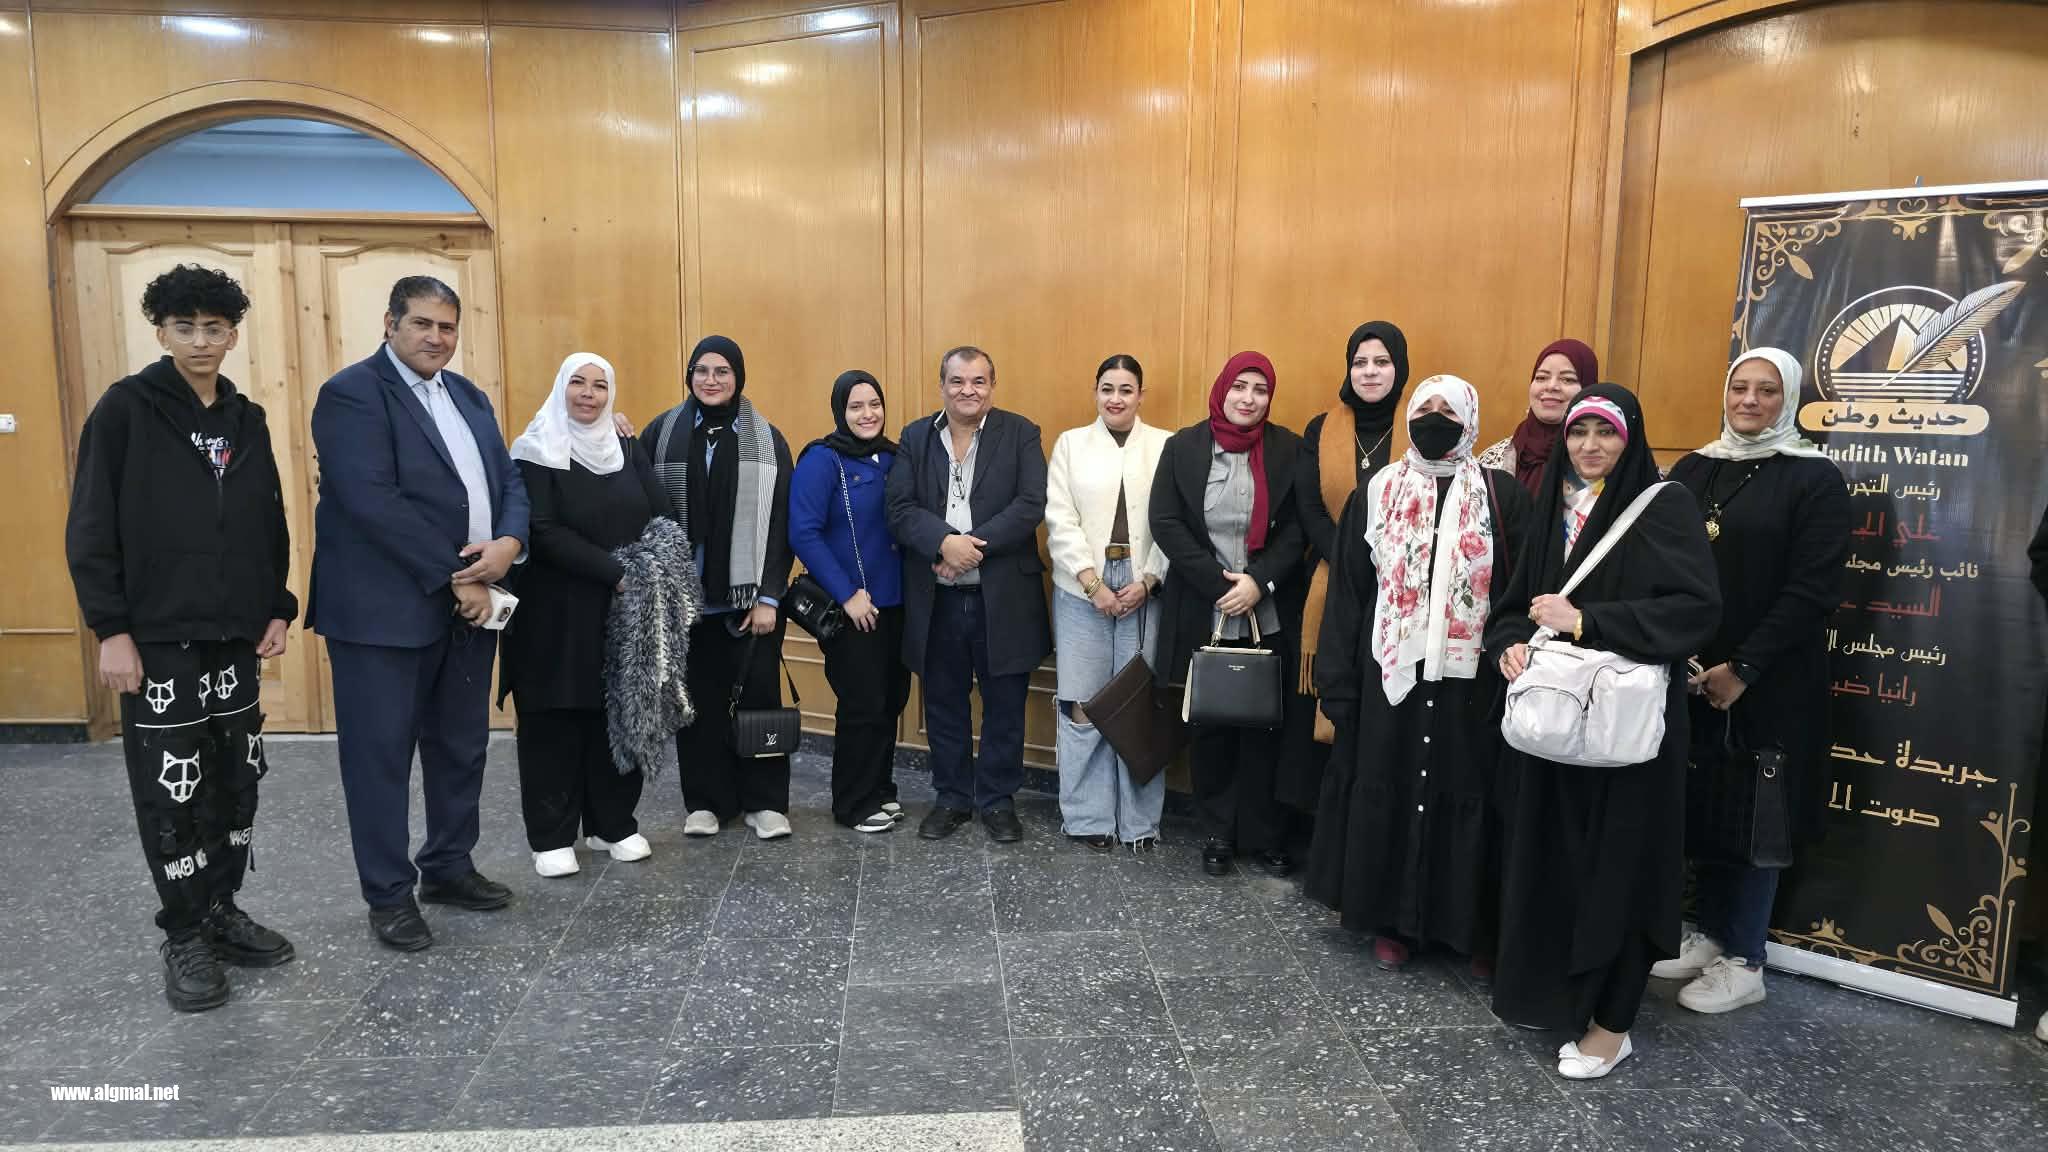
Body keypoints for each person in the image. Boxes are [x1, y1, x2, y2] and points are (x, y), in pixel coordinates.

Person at [65, 264, 297, 1010]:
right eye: (185, 327)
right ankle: (185, 930)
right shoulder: (125, 410)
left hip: (235, 637)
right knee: (174, 788)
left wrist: (277, 606)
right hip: (158, 638)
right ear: (161, 332)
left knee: (237, 778)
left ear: (233, 335)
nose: (201, 340)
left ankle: (223, 908)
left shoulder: (246, 418)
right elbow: (91, 525)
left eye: (214, 328)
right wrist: (111, 630)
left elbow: (267, 518)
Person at [1484, 384, 1719, 1080]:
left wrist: (1589, 622)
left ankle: (1613, 1026)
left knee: (1621, 868)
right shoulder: (1551, 508)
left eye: (1606, 433)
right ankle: (1561, 999)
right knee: (1554, 863)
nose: (1590, 446)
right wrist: (1507, 646)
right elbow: (1515, 606)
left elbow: (1696, 612)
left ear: (1631, 438)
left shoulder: (1662, 506)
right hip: (1557, 725)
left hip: (1627, 732)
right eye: (1579, 432)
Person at [309, 275, 530, 952]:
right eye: (422, 324)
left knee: (461, 746)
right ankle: (388, 895)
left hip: (470, 608)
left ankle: (449, 866)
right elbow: (371, 501)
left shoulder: (468, 395)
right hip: (384, 615)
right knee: (379, 759)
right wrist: (456, 578)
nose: (437, 337)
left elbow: (509, 480)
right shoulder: (352, 393)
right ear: (390, 323)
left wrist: (509, 543)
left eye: (447, 326)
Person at [1305, 375, 1528, 971]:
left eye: (1447, 411)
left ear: (1469, 419)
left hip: (1473, 680)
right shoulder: (1377, 490)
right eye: (1424, 408)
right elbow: (1350, 593)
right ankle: (1393, 922)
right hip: (1391, 678)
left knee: (1468, 790)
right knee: (1394, 788)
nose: (1434, 419)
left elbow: (1518, 590)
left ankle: (1467, 929)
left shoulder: (1502, 496)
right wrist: (1337, 685)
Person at [1656, 348, 1850, 1011]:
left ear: (1788, 399)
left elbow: (1813, 589)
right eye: (1739, 387)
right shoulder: (1695, 468)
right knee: (1704, 800)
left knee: (1757, 810)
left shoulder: (1814, 478)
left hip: (1771, 681)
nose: (1749, 400)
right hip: (1690, 672)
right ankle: (1711, 934)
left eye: (1767, 391)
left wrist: (1744, 668)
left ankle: (1746, 959)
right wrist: (1681, 654)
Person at [500, 353, 665, 877]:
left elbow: (660, 509)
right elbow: (542, 529)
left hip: (621, 613)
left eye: (599, 385)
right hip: (554, 612)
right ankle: (551, 835)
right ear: (560, 388)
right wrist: (614, 572)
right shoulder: (534, 449)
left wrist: (648, 569)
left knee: (616, 715)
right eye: (577, 383)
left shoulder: (625, 446)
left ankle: (611, 824)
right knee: (555, 721)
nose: (588, 394)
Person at [1151, 351, 1308, 877]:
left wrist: (1258, 582)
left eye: (1260, 389)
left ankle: (1264, 834)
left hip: (1269, 609)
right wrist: (1220, 585)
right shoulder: (1183, 447)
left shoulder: (1289, 448)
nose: (1248, 398)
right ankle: (1217, 831)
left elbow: (1298, 528)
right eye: (1239, 386)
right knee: (1213, 725)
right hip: (1207, 606)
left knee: (1267, 723)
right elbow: (1165, 521)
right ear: (1222, 389)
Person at [887, 346, 1052, 843]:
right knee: (943, 703)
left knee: (1005, 704)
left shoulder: (1021, 433)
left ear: (992, 386)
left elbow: (1031, 503)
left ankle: (998, 801)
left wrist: (968, 548)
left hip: (1002, 597)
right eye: (957, 381)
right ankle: (952, 797)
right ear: (941, 385)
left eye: (979, 381)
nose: (968, 390)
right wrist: (943, 543)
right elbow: (899, 507)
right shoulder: (916, 437)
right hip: (936, 598)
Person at [642, 335, 795, 840]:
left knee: (759, 702)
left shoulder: (769, 440)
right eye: (701, 370)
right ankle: (706, 802)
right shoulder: (661, 433)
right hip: (686, 604)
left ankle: (765, 802)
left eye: (722, 371)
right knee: (697, 706)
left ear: (738, 377)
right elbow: (636, 502)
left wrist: (769, 595)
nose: (711, 380)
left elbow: (782, 524)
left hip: (751, 605)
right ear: (689, 376)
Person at [1044, 354, 1172, 851]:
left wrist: (1150, 579)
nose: (1115, 399)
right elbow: (1060, 519)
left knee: (1138, 702)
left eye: (1126, 389)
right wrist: (1092, 583)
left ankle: (1139, 823)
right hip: (1082, 586)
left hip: (1145, 584)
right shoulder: (1071, 444)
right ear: (1095, 392)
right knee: (1083, 702)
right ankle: (1087, 819)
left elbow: (1173, 521)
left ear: (1141, 394)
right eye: (1107, 389)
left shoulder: (1165, 445)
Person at [1293, 321, 1410, 815]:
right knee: (1326, 697)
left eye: (1381, 362)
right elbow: (1309, 508)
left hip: (1400, 586)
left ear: (1400, 368)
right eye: (1360, 362)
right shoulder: (1321, 429)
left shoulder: (1419, 427)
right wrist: (1350, 561)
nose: (1370, 372)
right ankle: (1315, 823)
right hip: (1330, 582)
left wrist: (1385, 562)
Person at [789, 370, 909, 834]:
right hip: (852, 609)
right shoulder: (823, 460)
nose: (867, 414)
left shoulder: (895, 457)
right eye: (856, 406)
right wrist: (847, 594)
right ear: (841, 411)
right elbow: (804, 533)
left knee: (890, 700)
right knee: (861, 704)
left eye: (874, 404)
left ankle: (880, 789)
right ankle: (853, 802)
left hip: (897, 605)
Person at [1478, 339, 1598, 497]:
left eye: (1567, 379)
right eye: (1541, 377)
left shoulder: (1600, 460)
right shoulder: (1492, 460)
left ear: (1588, 388)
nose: (1551, 386)